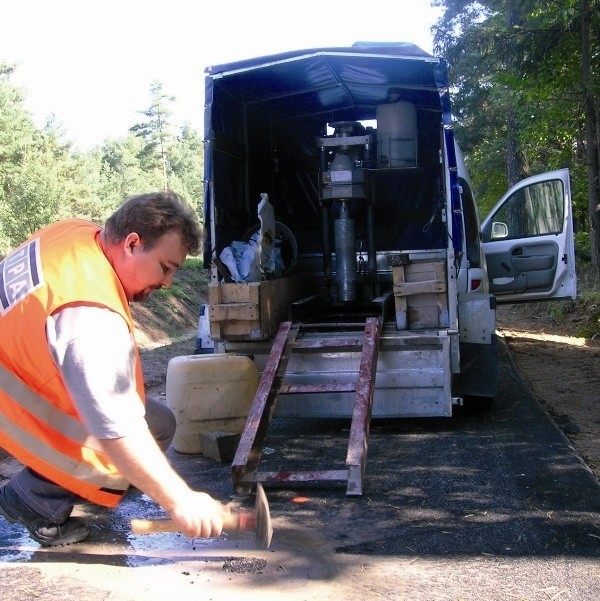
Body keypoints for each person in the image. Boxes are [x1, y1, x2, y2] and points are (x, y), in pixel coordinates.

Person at [0, 191, 229, 546]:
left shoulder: (74, 233)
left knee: (159, 424)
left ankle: (90, 489)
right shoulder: (90, 318)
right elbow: (117, 431)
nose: (167, 283)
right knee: (127, 443)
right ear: (132, 243)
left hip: (16, 366)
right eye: (165, 267)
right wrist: (180, 500)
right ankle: (32, 499)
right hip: (12, 401)